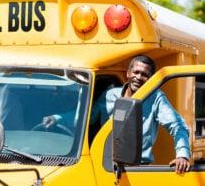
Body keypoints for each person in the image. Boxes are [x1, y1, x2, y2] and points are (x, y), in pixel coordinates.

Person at [43, 55, 191, 174]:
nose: (139, 77)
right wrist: (57, 118)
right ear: (128, 73)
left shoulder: (156, 98)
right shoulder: (110, 95)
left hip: (138, 169)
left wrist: (182, 155)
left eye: (145, 75)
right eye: (136, 72)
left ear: (151, 79)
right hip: (106, 167)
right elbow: (87, 117)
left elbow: (178, 126)